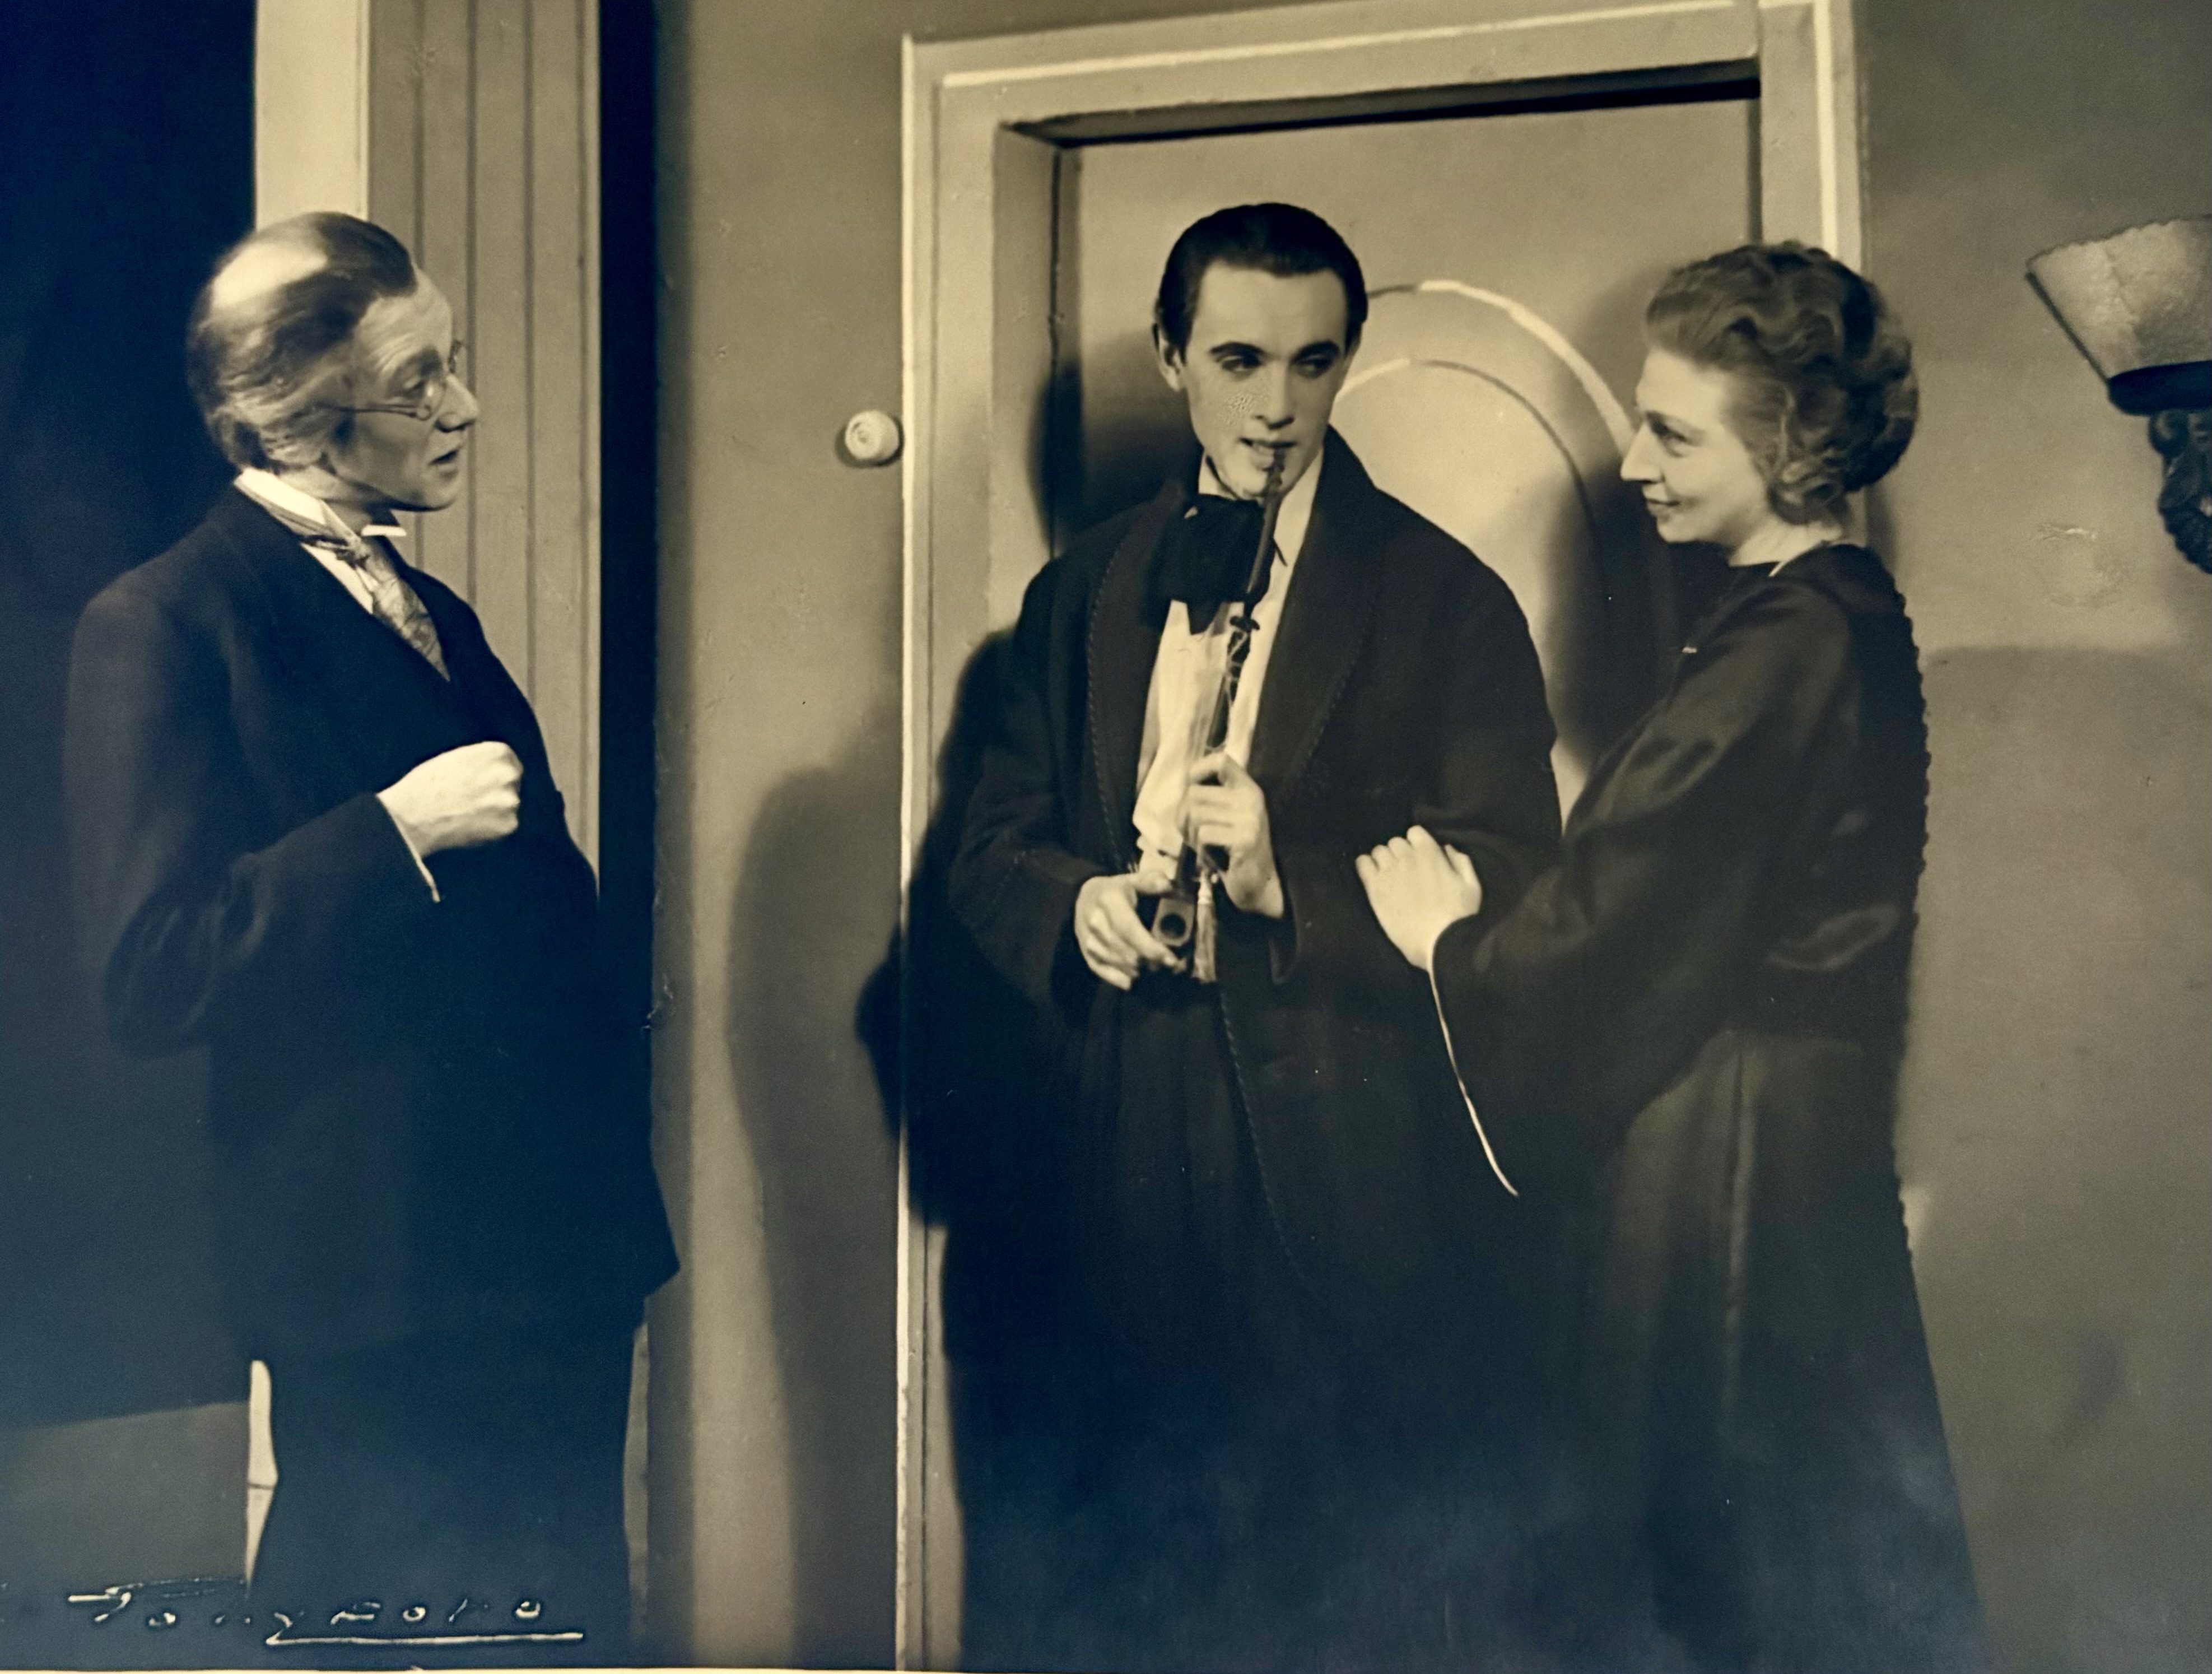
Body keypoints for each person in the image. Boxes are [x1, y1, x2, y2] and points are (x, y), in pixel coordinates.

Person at [946, 202, 1562, 1672]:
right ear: (1171, 357)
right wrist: (1076, 904)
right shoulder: (1078, 590)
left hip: (1334, 1159)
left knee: (1319, 1588)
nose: (1277, 405)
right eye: (1237, 360)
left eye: (1312, 361)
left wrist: (1294, 885)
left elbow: (1514, 881)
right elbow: (987, 848)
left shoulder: (1443, 599)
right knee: (1122, 1572)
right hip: (1113, 1128)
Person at [1359, 242, 1986, 1672]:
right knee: (1780, 1526)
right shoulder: (1822, 618)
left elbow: (1623, 921)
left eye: (1674, 434)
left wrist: (1446, 941)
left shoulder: (1786, 648)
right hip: (1776, 1130)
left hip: (1730, 1147)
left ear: (1790, 446)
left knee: (1712, 1547)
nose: (1633, 461)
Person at [63, 213, 677, 1656]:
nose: (464, 406)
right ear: (295, 414)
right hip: (383, 1279)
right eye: (419, 381)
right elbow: (153, 972)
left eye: (452, 363)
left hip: (557, 1251)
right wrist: (390, 833)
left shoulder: (432, 607)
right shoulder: (164, 622)